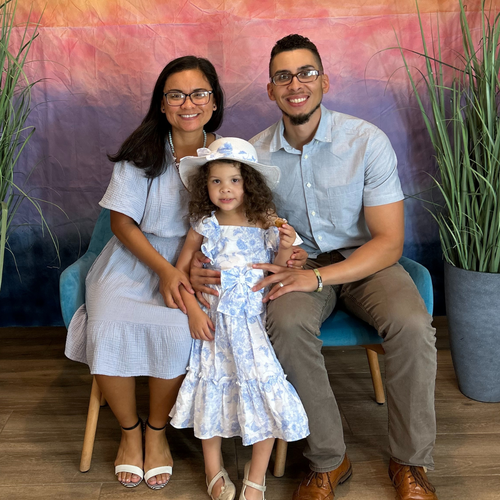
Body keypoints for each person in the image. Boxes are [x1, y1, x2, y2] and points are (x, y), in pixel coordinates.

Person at [192, 35, 438, 500]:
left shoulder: (366, 141)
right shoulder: (254, 155)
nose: (295, 84)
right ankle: (328, 458)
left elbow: (389, 240)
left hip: (365, 259)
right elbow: (236, 223)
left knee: (411, 324)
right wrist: (199, 263)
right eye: (283, 76)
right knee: (284, 323)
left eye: (306, 73)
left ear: (324, 80)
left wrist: (319, 276)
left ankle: (410, 461)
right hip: (296, 265)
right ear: (271, 90)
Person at [64, 55, 225, 489]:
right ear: (162, 103)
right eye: (176, 95)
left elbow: (235, 220)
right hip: (134, 255)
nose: (188, 103)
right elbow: (121, 224)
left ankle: (156, 431)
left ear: (213, 102)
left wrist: (187, 270)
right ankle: (129, 431)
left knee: (178, 332)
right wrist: (165, 272)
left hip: (195, 261)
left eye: (199, 93)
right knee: (105, 325)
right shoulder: (142, 152)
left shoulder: (227, 153)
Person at [169, 137, 310, 500]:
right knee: (211, 390)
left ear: (250, 183)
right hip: (215, 325)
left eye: (234, 180)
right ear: (205, 186)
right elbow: (181, 272)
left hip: (253, 324)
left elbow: (276, 271)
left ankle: (256, 475)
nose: (225, 189)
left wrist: (285, 246)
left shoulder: (266, 222)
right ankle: (212, 468)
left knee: (262, 390)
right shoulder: (205, 225)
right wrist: (194, 310)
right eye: (216, 181)